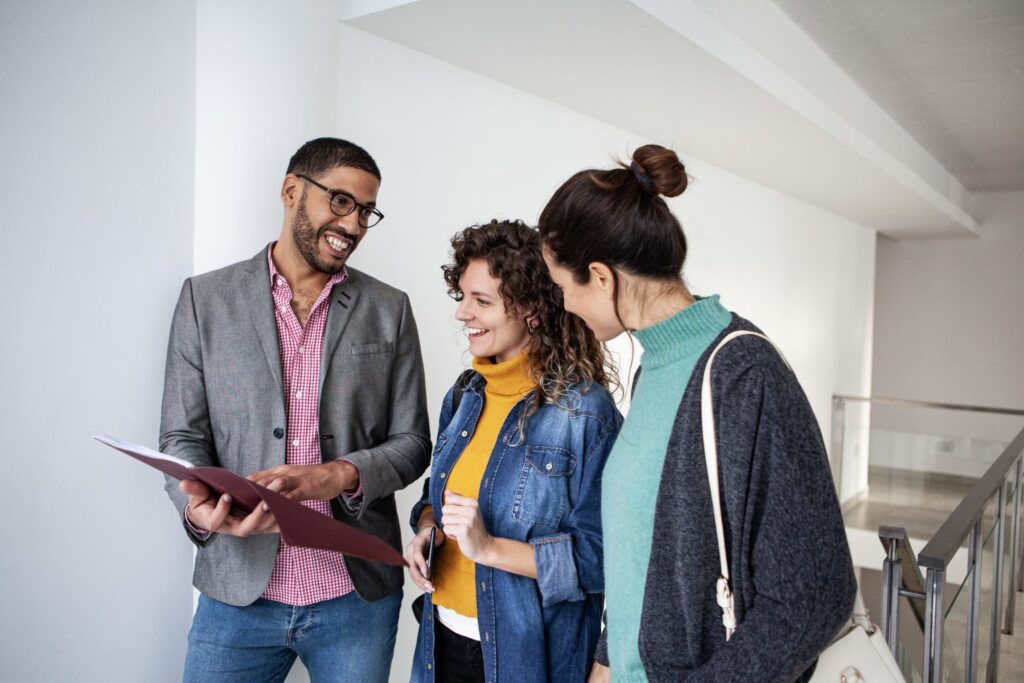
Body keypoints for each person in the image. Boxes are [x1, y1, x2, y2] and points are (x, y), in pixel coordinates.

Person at [538, 145, 856, 682]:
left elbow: (815, 598)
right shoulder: (653, 368)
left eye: (563, 286)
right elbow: (645, 554)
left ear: (600, 276)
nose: (564, 304)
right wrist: (607, 659)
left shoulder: (744, 375)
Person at [160, 137, 430, 682]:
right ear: (291, 191)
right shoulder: (203, 300)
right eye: (340, 201)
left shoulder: (390, 309)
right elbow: (180, 437)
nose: (353, 224)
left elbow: (413, 442)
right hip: (236, 594)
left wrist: (339, 475)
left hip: (355, 597)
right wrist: (196, 509)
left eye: (365, 211)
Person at [405, 220, 622, 682]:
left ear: (533, 311)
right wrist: (428, 530)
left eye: (481, 301)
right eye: (461, 296)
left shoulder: (585, 413)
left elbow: (603, 559)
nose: (463, 314)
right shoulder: (463, 396)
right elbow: (435, 499)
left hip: (528, 658)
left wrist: (491, 548)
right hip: (438, 641)